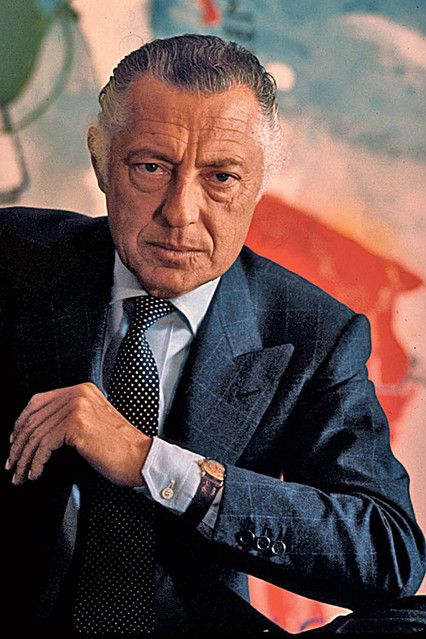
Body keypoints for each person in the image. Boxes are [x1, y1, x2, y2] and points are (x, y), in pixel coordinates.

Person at [1, 34, 425, 636]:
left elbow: (389, 553)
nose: (180, 212)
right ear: (100, 160)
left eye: (221, 177)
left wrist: (155, 464)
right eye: (151, 168)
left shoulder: (310, 333)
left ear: (260, 182)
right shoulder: (13, 259)